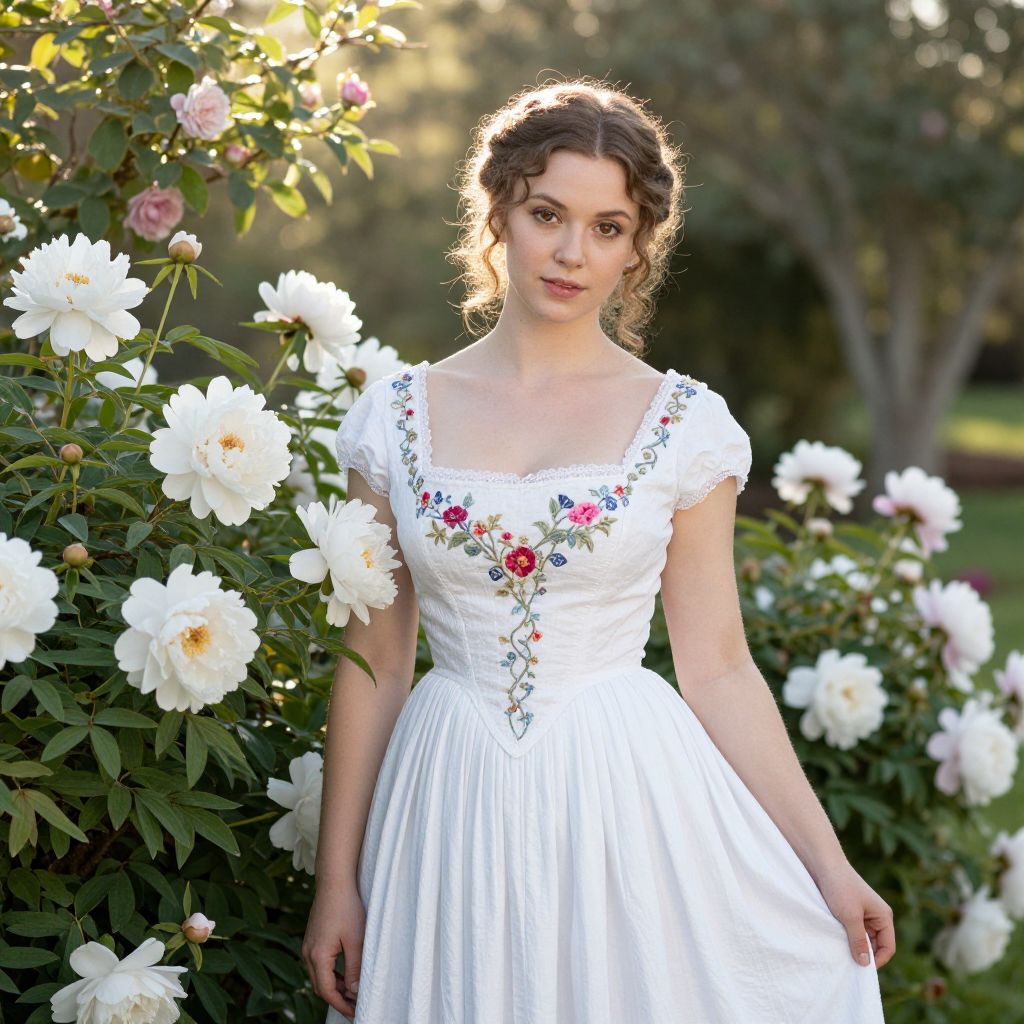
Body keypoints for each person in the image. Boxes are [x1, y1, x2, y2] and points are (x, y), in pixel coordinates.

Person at [303, 77, 893, 1023]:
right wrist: (338, 882)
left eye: (609, 227)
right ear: (498, 212)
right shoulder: (395, 421)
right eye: (548, 214)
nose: (574, 252)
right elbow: (374, 659)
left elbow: (720, 667)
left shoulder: (684, 426)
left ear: (638, 247)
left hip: (624, 794)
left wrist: (830, 866)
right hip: (446, 794)